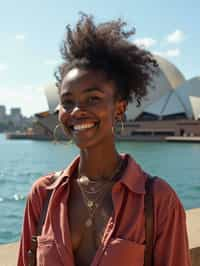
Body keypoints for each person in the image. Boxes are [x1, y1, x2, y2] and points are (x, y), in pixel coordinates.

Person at [17, 13, 191, 266]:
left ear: (119, 108)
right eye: (67, 102)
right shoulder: (42, 195)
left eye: (93, 98)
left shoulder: (158, 199)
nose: (77, 110)